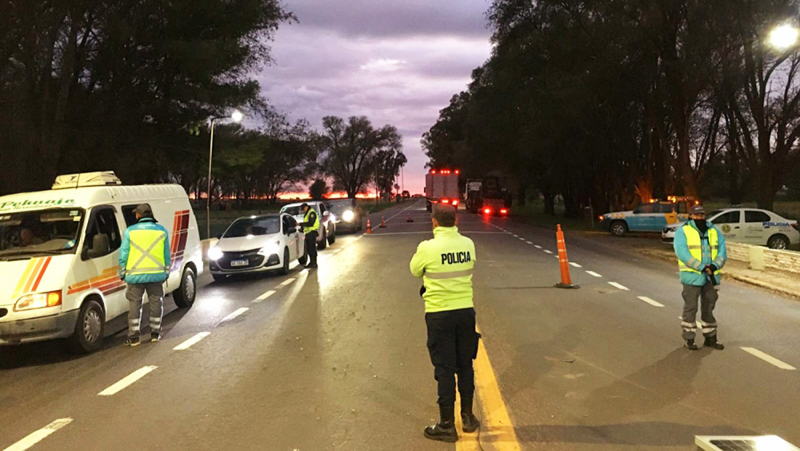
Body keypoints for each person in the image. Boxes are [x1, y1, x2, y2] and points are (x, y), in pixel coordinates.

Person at [409, 204, 481, 443]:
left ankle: (447, 425)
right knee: (465, 365)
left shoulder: (427, 248)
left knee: (444, 369)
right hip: (465, 312)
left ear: (434, 222)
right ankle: (468, 418)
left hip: (440, 314)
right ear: (456, 220)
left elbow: (414, 270)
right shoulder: (468, 244)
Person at [673, 204, 727, 351]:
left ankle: (710, 338)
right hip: (692, 277)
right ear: (690, 216)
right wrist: (701, 267)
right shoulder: (683, 232)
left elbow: (722, 251)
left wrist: (715, 265)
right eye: (696, 215)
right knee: (691, 308)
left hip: (711, 277)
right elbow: (682, 253)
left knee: (709, 308)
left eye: (702, 215)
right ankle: (689, 339)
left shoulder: (714, 231)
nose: (699, 217)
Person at [119, 204, 171, 346]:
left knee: (135, 305)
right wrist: (166, 272)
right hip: (156, 275)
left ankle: (134, 337)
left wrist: (122, 273)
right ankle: (155, 334)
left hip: (135, 276)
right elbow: (167, 255)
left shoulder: (130, 232)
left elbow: (123, 255)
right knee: (156, 303)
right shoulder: (162, 231)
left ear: (138, 215)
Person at [299, 203, 319, 269]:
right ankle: (311, 262)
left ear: (306, 207)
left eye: (303, 209)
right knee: (309, 249)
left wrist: (301, 224)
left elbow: (310, 223)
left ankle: (314, 263)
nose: (303, 210)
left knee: (312, 248)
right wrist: (301, 228)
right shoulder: (307, 213)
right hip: (308, 233)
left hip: (312, 232)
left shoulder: (311, 213)